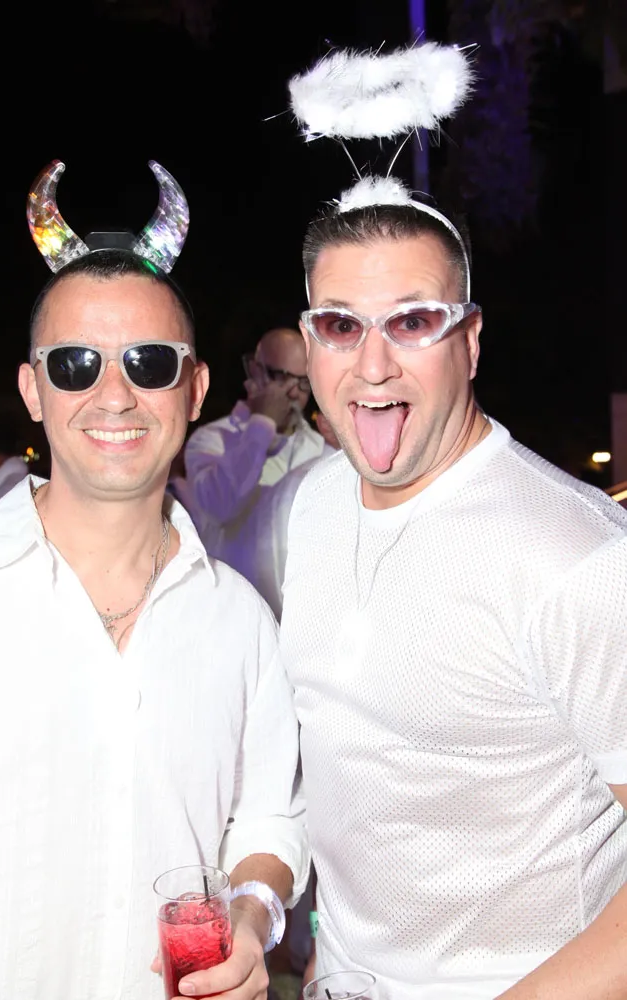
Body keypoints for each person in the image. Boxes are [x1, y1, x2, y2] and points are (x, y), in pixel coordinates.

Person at [280, 44, 627, 1000]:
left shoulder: (575, 557)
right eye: (340, 325)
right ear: (308, 344)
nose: (372, 365)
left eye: (412, 321)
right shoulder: (310, 505)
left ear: (469, 340)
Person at [0, 158, 308, 1000]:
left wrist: (252, 917)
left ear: (195, 388)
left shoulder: (241, 622)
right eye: (73, 365)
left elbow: (270, 819)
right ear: (32, 390)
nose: (114, 394)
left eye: (149, 362)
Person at [184, 327, 332, 598]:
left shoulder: (322, 449)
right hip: (232, 604)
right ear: (254, 370)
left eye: (303, 382)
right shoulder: (212, 439)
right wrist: (263, 424)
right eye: (282, 377)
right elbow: (220, 506)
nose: (293, 393)